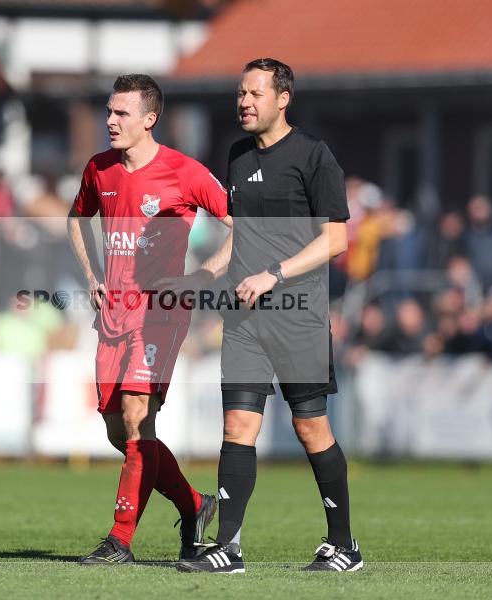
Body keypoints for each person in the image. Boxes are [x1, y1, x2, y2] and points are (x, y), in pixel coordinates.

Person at [177, 58, 361, 574]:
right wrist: (205, 274)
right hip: (244, 318)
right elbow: (239, 237)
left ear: (283, 99)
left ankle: (344, 545)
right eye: (240, 93)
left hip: (298, 314)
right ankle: (228, 547)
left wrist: (274, 274)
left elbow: (337, 239)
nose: (244, 101)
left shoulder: (314, 156)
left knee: (311, 430)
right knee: (237, 426)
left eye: (255, 93)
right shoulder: (236, 156)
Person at [68, 74, 233, 564]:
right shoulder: (99, 169)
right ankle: (194, 504)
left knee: (140, 419)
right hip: (113, 315)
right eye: (109, 111)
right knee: (120, 433)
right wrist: (93, 275)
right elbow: (77, 219)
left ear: (149, 119)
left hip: (160, 313)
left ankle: (119, 540)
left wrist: (202, 275)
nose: (110, 120)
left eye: (121, 113)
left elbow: (242, 227)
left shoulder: (184, 172)